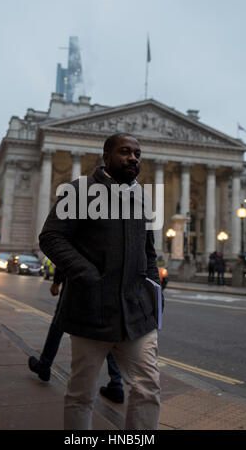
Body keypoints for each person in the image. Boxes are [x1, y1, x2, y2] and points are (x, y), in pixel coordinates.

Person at [39, 133, 162, 430]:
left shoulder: (141, 197)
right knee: (82, 393)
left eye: (137, 153)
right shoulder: (79, 191)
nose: (133, 158)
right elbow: (51, 237)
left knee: (148, 388)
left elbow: (148, 250)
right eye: (125, 152)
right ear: (107, 157)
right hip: (90, 310)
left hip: (135, 312)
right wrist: (86, 274)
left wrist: (152, 290)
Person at [28, 268, 125, 402]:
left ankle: (44, 365)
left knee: (59, 322)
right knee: (107, 329)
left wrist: (56, 282)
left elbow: (69, 251)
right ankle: (116, 383)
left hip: (78, 282)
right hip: (109, 283)